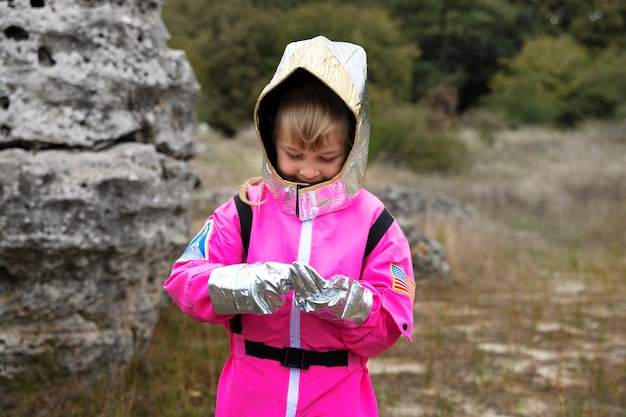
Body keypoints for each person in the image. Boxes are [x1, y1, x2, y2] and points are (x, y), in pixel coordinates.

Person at [164, 35, 415, 417]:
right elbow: (184, 281)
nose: (309, 170)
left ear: (352, 148)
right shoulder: (246, 210)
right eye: (294, 155)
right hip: (249, 395)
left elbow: (390, 325)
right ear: (270, 140)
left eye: (327, 157)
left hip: (338, 397)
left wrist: (349, 304)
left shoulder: (376, 225)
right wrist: (243, 284)